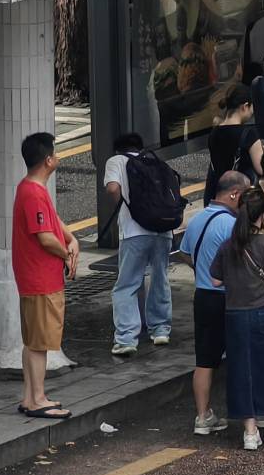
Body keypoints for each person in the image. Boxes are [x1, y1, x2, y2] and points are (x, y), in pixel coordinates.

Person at [212, 189, 264, 451]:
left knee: (241, 371)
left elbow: (215, 280)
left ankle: (249, 431)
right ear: (263, 216)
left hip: (235, 315)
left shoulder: (229, 247)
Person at [179, 170, 250, 436]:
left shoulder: (196, 220)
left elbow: (185, 254)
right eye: (245, 195)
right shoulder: (231, 225)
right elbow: (245, 260)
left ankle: (202, 416)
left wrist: (203, 271)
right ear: (234, 194)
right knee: (240, 356)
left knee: (205, 360)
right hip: (229, 297)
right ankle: (247, 415)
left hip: (203, 296)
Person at [12, 132, 77, 420]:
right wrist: (68, 254)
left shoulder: (31, 188)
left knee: (33, 341)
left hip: (34, 278)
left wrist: (71, 238)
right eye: (56, 152)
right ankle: (37, 398)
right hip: (41, 279)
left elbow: (53, 221)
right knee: (40, 344)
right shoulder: (34, 193)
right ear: (48, 160)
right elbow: (45, 238)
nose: (58, 157)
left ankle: (30, 396)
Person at [103, 132, 175, 356]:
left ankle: (126, 339)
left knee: (127, 284)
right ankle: (160, 329)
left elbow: (113, 188)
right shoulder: (154, 160)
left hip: (134, 232)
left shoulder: (116, 161)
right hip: (163, 229)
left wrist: (125, 206)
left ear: (118, 149)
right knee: (160, 278)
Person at [206, 84, 264, 201]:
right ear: (245, 106)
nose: (252, 112)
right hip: (240, 198)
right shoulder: (249, 134)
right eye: (252, 107)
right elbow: (262, 169)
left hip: (219, 197)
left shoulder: (214, 133)